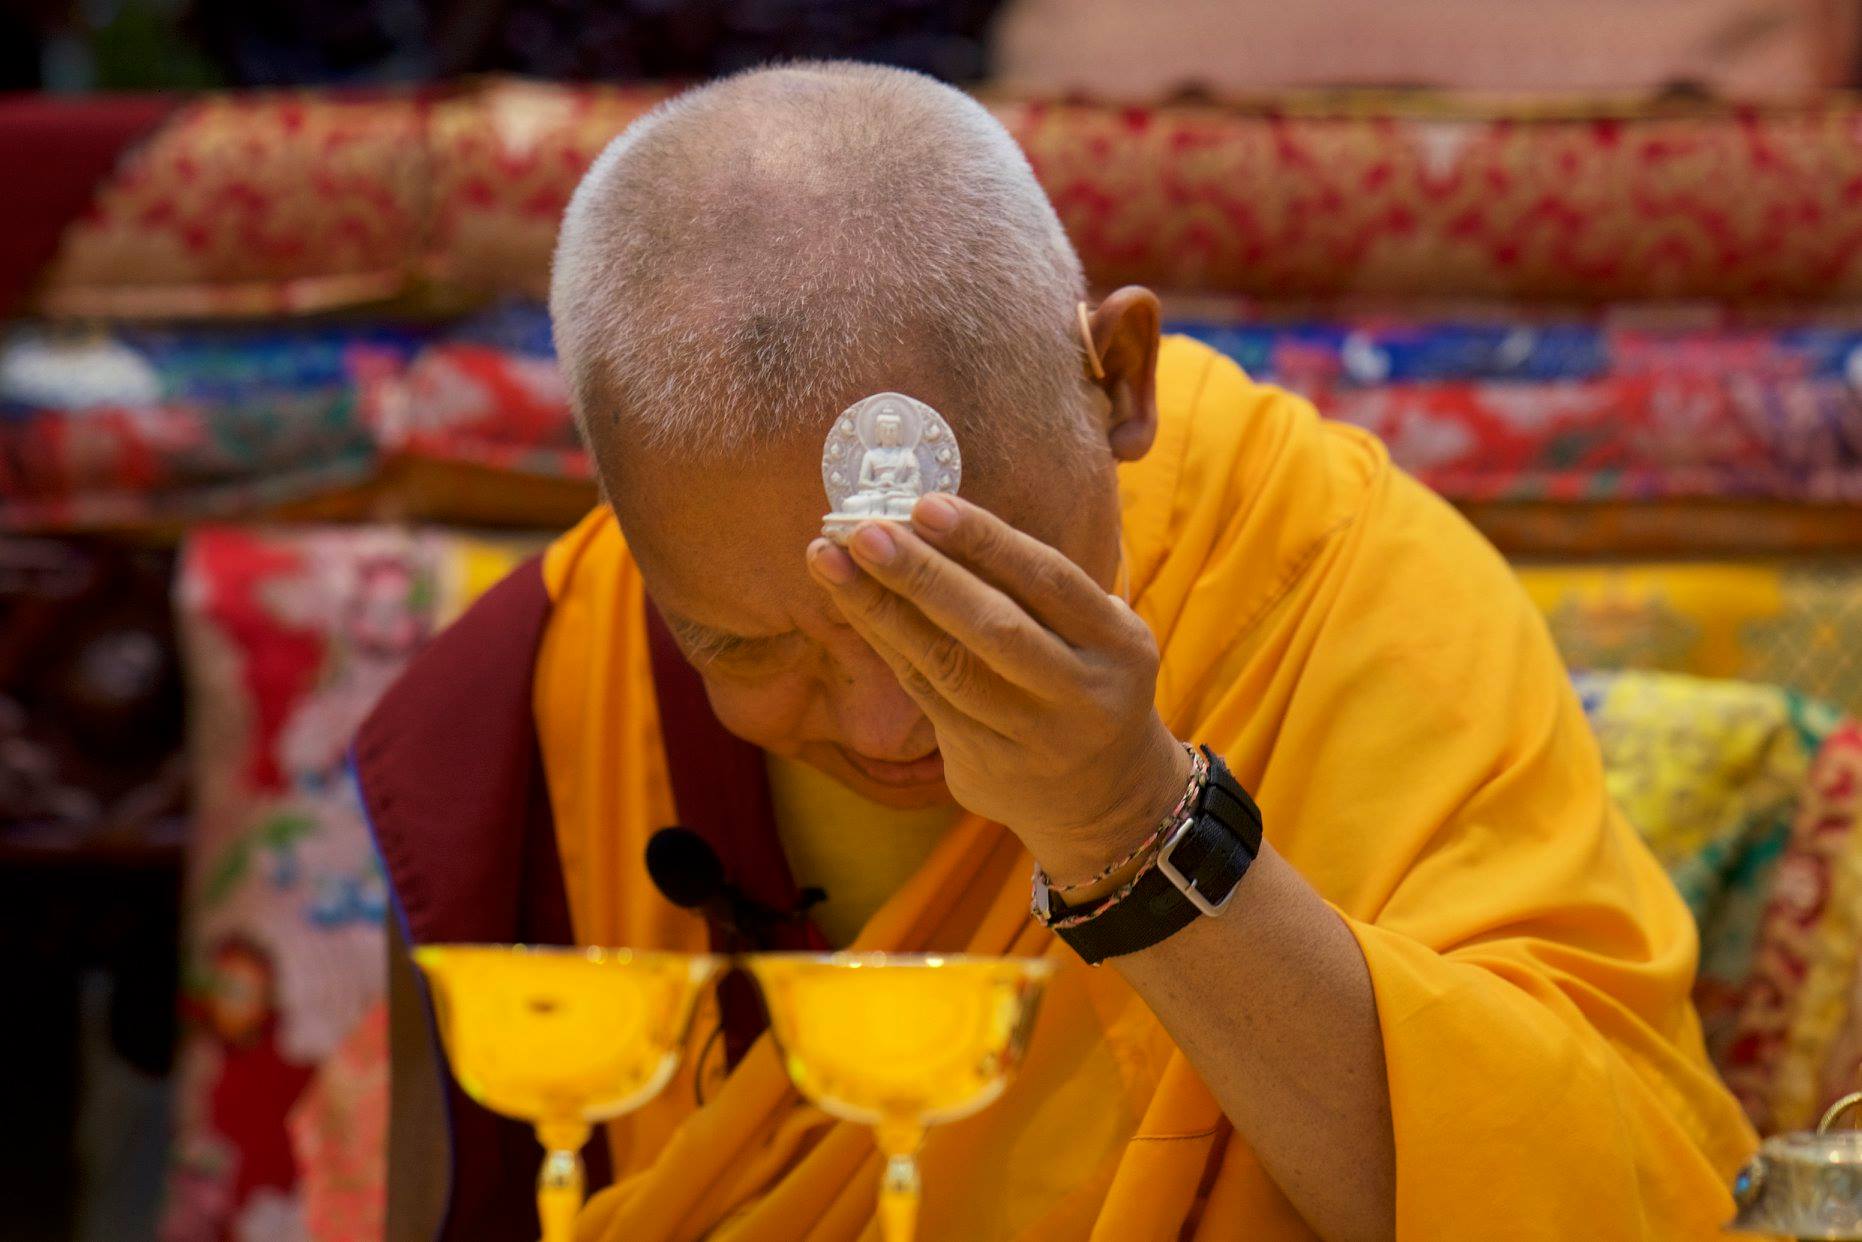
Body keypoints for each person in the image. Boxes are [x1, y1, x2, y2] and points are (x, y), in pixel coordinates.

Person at [359, 62, 1755, 1242]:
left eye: (959, 592)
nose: (889, 724)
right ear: (637, 537)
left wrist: (1133, 828)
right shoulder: (533, 696)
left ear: (1118, 378)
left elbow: (1604, 1188)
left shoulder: (1331, 574)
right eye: (739, 641)